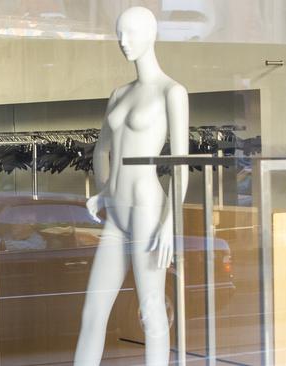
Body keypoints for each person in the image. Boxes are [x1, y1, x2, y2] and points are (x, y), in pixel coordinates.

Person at [74, 7, 189, 366]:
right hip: (116, 213)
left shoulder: (172, 92)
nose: (123, 42)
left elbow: (180, 164)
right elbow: (102, 149)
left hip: (147, 210)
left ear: (151, 34)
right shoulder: (119, 93)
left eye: (131, 33)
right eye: (118, 34)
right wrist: (104, 190)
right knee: (93, 311)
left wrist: (171, 221)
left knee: (151, 310)